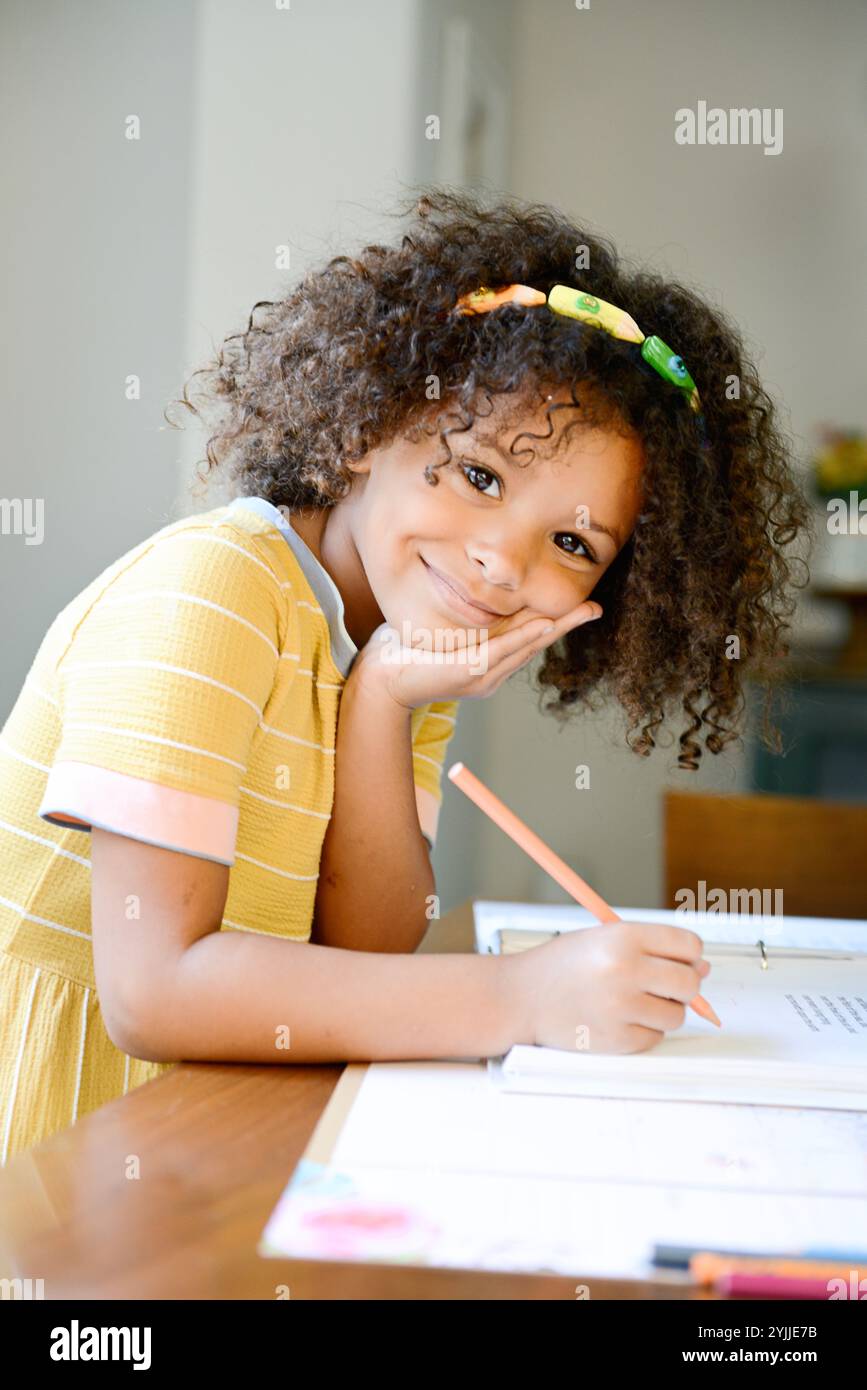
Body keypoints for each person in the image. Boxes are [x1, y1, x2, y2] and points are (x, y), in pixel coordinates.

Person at [0, 188, 810, 1162]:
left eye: (571, 540)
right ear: (370, 425)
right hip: (61, 1137)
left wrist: (381, 701)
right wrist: (523, 996)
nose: (505, 564)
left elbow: (366, 951)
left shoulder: (401, 641)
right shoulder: (213, 590)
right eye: (480, 476)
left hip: (199, 1123)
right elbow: (154, 990)